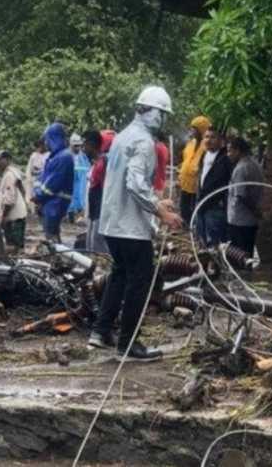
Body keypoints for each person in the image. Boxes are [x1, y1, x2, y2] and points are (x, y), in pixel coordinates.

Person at [89, 86, 182, 359]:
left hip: (113, 223)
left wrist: (155, 201)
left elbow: (129, 181)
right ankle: (129, 344)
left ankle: (101, 330)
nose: (163, 120)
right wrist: (160, 212)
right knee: (140, 281)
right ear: (151, 112)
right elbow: (134, 183)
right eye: (162, 114)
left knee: (119, 275)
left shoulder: (122, 137)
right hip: (130, 227)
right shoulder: (144, 142)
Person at [34, 123, 74, 242]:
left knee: (52, 236)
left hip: (55, 203)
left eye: (47, 139)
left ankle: (57, 258)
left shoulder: (63, 157)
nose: (45, 143)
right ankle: (57, 257)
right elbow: (41, 177)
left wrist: (38, 196)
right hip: (50, 203)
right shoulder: (55, 156)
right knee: (51, 234)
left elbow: (51, 185)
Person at [226, 137, 264, 256]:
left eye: (230, 151)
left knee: (238, 256)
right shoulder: (255, 164)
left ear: (238, 151)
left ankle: (241, 274)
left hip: (239, 221)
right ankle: (247, 274)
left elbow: (241, 195)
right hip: (250, 221)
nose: (228, 154)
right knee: (248, 253)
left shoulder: (241, 168)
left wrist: (254, 211)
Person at [195, 127, 232, 247]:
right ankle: (203, 265)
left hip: (215, 206)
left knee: (214, 242)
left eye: (213, 137)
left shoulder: (225, 158)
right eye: (206, 137)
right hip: (201, 204)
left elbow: (229, 183)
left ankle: (215, 265)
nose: (208, 140)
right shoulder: (204, 155)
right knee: (201, 239)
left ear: (221, 140)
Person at [178, 116, 211, 224]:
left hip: (196, 185)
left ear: (201, 130)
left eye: (194, 129)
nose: (192, 131)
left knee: (194, 208)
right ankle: (185, 226)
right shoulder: (190, 143)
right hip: (185, 182)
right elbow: (185, 159)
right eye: (192, 128)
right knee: (184, 207)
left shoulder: (207, 146)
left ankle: (193, 228)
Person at [85, 130, 114, 252]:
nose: (83, 148)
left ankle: (102, 265)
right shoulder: (97, 162)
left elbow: (106, 186)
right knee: (91, 239)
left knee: (97, 240)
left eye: (85, 145)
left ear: (92, 145)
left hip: (101, 206)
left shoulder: (104, 162)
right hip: (94, 207)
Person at [0, 150, 28, 252]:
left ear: (8, 160)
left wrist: (4, 216)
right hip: (18, 215)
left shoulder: (9, 175)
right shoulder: (14, 172)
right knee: (18, 245)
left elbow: (9, 200)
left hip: (13, 217)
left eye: (0, 160)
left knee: (13, 246)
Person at [69, 133, 90, 223]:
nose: (77, 148)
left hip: (81, 181)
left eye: (79, 146)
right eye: (75, 146)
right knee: (71, 198)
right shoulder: (67, 155)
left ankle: (80, 215)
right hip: (71, 181)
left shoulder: (83, 156)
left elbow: (87, 167)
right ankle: (70, 215)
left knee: (82, 197)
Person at [25, 139, 48, 210]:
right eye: (37, 147)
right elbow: (30, 169)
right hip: (36, 180)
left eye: (40, 146)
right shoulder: (34, 156)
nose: (39, 149)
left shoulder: (48, 155)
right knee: (36, 195)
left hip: (46, 179)